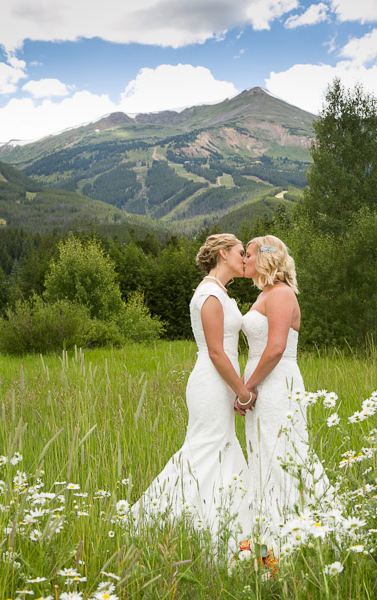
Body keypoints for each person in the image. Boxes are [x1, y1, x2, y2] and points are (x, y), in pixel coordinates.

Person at [131, 233, 255, 553]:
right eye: (241, 252)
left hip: (221, 382)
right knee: (203, 451)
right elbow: (216, 352)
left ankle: (222, 526)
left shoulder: (221, 293)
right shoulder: (210, 295)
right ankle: (151, 521)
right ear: (223, 254)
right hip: (212, 382)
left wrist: (238, 387)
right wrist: (241, 391)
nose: (245, 258)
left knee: (221, 452)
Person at [241, 235, 335, 548]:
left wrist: (248, 386)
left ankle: (299, 530)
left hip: (277, 383)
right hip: (262, 381)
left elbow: (277, 347)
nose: (244, 260)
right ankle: (269, 529)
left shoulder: (280, 294)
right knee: (263, 452)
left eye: (249, 254)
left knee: (283, 451)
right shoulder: (266, 293)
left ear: (266, 258)